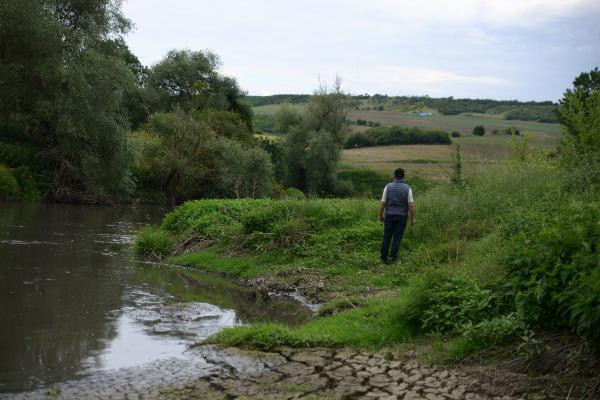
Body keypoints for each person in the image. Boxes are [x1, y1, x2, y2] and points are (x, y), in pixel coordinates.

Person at [378, 168, 416, 264]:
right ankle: (393, 258)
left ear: (394, 176)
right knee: (397, 237)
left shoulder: (388, 186)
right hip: (402, 216)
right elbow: (410, 205)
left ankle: (383, 257)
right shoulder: (408, 188)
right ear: (403, 176)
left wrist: (380, 215)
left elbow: (383, 203)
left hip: (389, 215)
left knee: (387, 236)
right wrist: (413, 218)